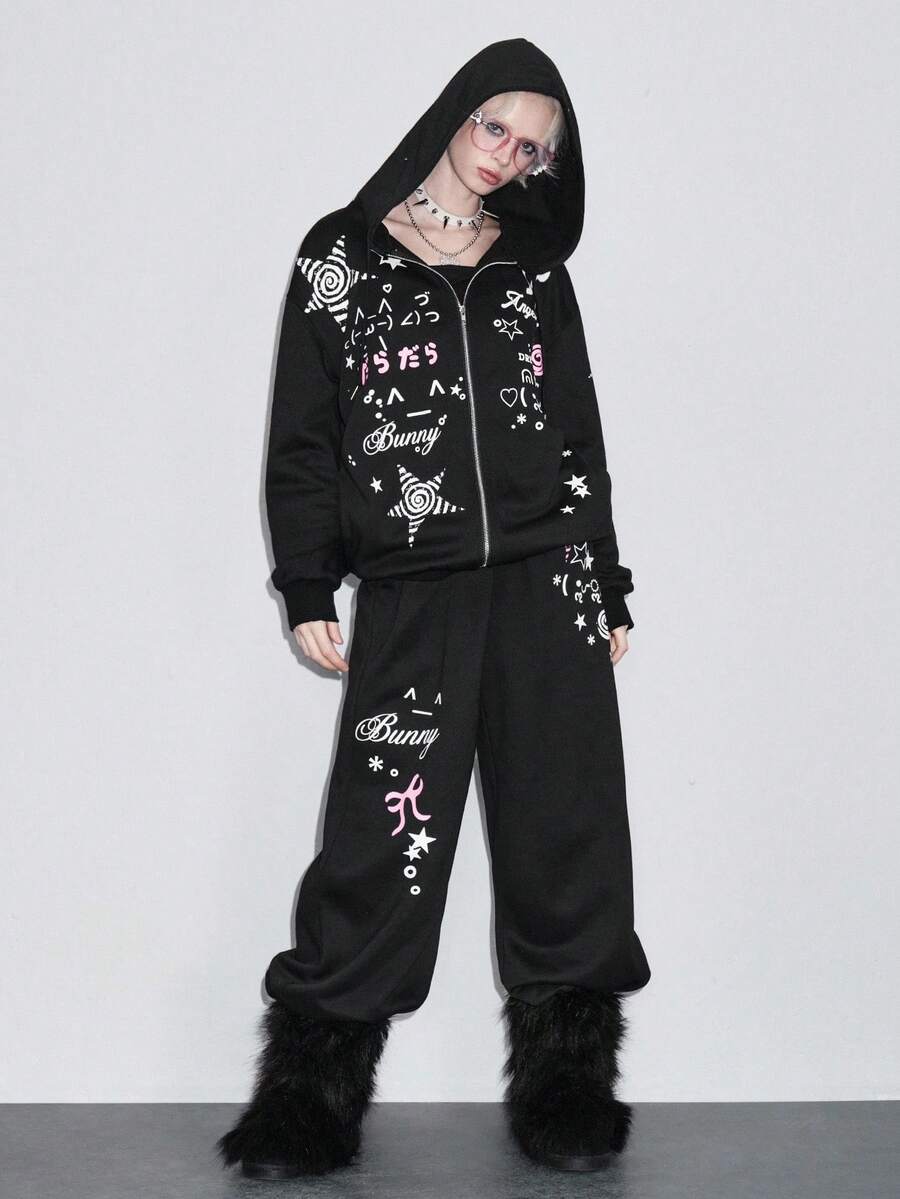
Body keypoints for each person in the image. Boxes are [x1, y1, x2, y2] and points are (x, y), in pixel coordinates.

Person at [217, 36, 651, 1180]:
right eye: (495, 126)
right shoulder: (341, 259)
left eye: (533, 148)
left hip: (550, 586)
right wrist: (307, 579)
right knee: (380, 842)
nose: (508, 155)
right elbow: (304, 437)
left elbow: (577, 438)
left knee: (567, 831)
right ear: (455, 114)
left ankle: (567, 1086)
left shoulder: (535, 273)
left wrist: (606, 577)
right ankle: (309, 1095)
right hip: (416, 592)